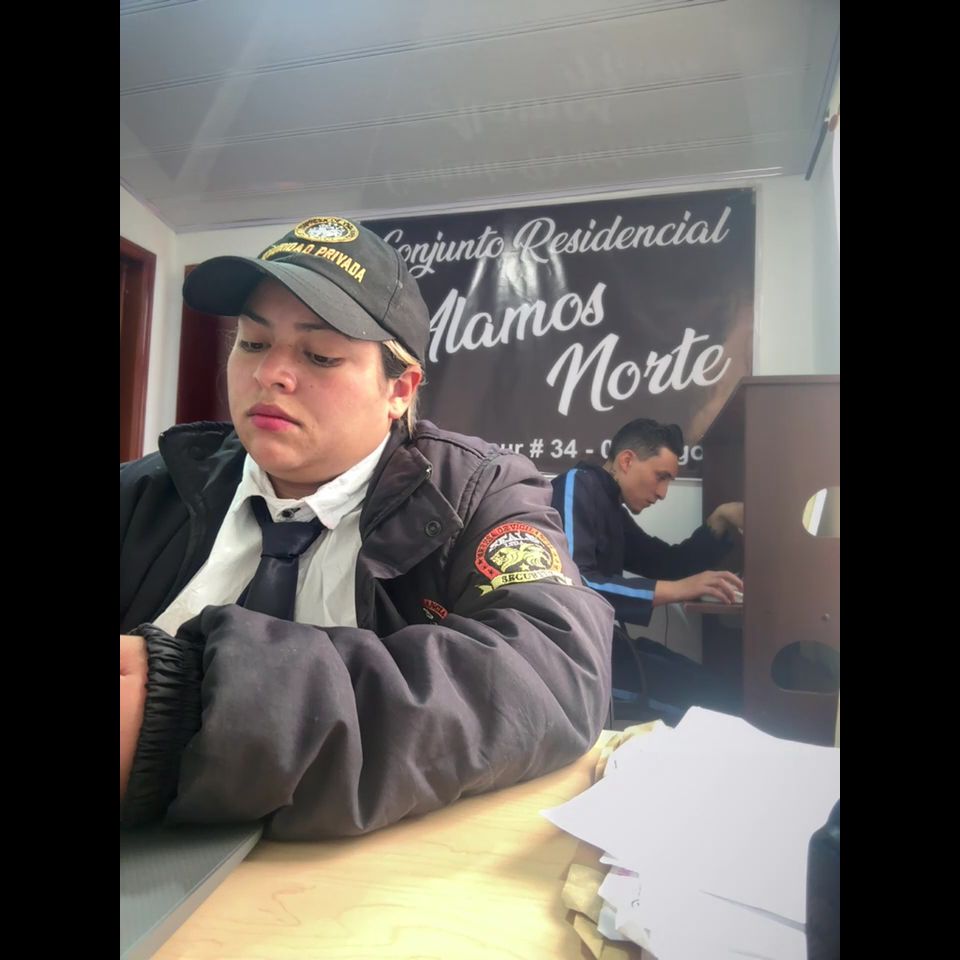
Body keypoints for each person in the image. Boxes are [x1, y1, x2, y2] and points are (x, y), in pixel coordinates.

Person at [120, 216, 614, 839]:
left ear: (400, 389)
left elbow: (556, 669)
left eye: (319, 354)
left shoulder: (478, 493)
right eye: (252, 342)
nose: (270, 374)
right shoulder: (147, 491)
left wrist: (185, 709)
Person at [550, 418, 743, 723]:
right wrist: (680, 589)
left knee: (716, 687)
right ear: (627, 461)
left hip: (608, 649)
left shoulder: (611, 505)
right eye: (660, 477)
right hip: (576, 663)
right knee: (714, 702)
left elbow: (666, 563)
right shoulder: (578, 484)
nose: (663, 492)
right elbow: (575, 585)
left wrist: (719, 521)